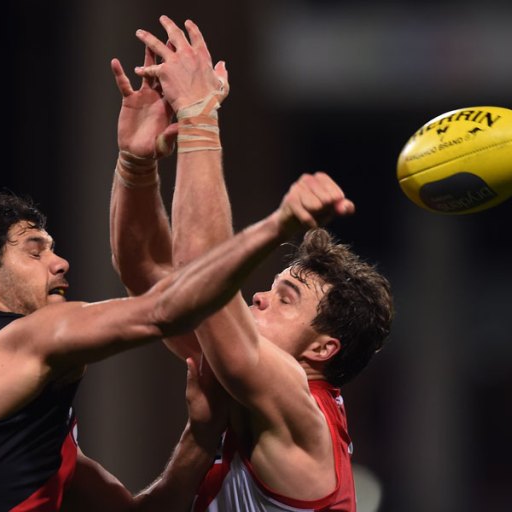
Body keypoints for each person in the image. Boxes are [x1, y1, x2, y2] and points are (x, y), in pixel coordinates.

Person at [0, 54, 357, 511]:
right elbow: (164, 296)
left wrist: (140, 160)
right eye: (34, 250)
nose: (62, 263)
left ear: (323, 349)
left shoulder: (291, 399)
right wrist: (200, 129)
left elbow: (162, 284)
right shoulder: (22, 341)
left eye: (285, 298)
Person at [110, 16, 394, 511]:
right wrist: (137, 163)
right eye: (274, 286)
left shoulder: (300, 413)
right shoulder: (243, 388)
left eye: (286, 298)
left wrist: (199, 114)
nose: (259, 295)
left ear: (323, 348)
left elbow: (198, 264)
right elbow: (148, 275)